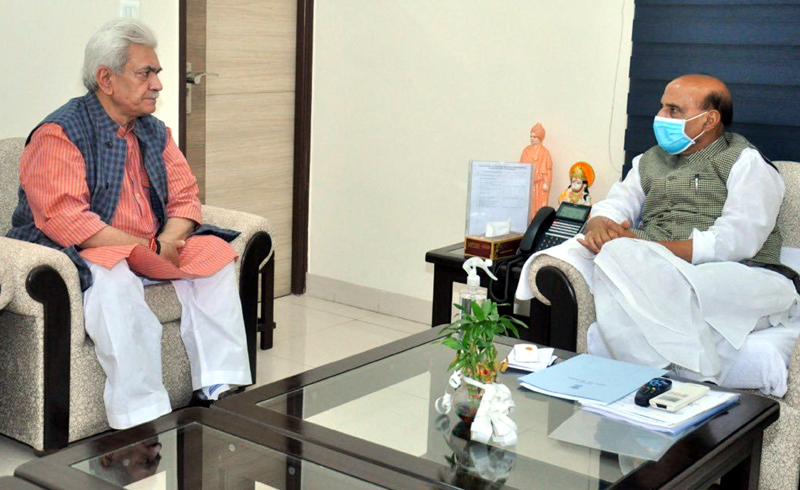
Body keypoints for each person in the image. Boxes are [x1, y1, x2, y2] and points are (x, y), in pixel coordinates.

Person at [7, 19, 252, 429]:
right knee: (113, 277)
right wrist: (148, 249)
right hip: (87, 250)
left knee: (216, 257)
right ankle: (142, 416)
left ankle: (218, 388)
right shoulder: (60, 132)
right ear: (106, 78)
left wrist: (170, 238)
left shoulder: (154, 132)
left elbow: (186, 196)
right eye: (146, 73)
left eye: (156, 73)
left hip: (152, 247)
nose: (157, 84)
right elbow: (68, 220)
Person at [516, 74, 800, 388]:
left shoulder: (747, 163)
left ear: (709, 119)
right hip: (651, 263)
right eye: (662, 107)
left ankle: (649, 376)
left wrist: (644, 246)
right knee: (580, 250)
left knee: (622, 257)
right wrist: (600, 224)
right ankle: (663, 374)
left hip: (736, 272)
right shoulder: (650, 161)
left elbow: (736, 241)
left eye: (674, 110)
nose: (661, 117)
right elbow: (618, 203)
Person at [519, 123, 553, 220]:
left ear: (540, 138)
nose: (532, 139)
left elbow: (548, 169)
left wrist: (547, 183)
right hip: (528, 184)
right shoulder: (526, 151)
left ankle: (537, 224)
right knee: (527, 205)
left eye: (534, 137)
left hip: (540, 185)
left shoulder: (545, 152)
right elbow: (521, 167)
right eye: (531, 136)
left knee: (539, 206)